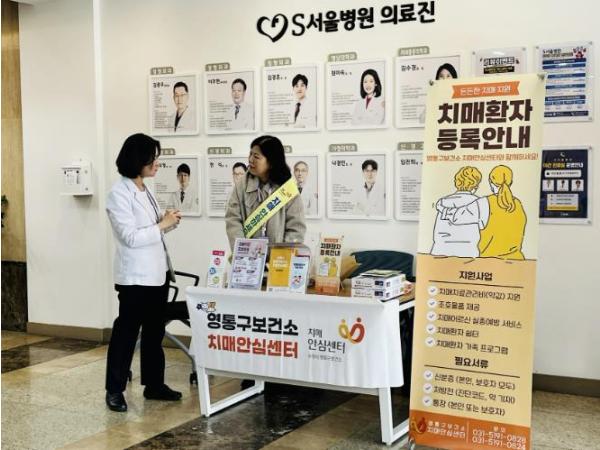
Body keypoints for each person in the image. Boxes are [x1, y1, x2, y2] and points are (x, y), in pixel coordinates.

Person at [105, 133, 183, 413]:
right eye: (153, 158)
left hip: (157, 275)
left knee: (154, 332)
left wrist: (168, 221)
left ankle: (154, 384)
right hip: (135, 278)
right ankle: (115, 390)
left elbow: (151, 229)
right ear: (138, 160)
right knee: (126, 333)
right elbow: (130, 237)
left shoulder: (144, 189)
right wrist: (162, 225)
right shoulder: (119, 193)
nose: (157, 163)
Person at [225, 135, 306, 251]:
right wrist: (243, 251)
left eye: (256, 156)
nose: (250, 159)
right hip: (247, 258)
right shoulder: (242, 185)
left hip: (278, 258)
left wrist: (280, 257)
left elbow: (296, 229)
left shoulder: (288, 189)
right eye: (250, 154)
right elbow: (233, 219)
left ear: (271, 162)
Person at [443, 165, 527, 260]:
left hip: (489, 261)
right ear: (511, 182)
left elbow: (456, 217)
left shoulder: (484, 203)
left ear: (491, 182)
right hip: (517, 260)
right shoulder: (518, 204)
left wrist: (443, 208)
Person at [431, 167, 483, 257]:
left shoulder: (443, 202)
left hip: (440, 251)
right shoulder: (478, 203)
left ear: (456, 182)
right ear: (476, 185)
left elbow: (438, 231)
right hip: (468, 252)